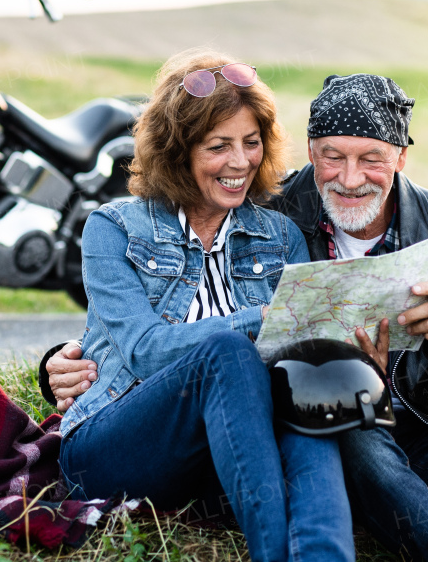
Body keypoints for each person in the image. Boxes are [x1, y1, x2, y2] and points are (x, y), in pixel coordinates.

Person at [45, 74, 428, 562]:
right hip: (340, 414)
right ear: (310, 154)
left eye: (372, 159)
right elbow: (160, 323)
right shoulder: (272, 207)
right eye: (332, 157)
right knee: (333, 410)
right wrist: (63, 359)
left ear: (401, 158)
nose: (349, 177)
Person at [56, 50, 355, 562]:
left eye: (251, 143)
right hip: (115, 444)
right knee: (227, 351)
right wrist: (260, 320)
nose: (240, 163)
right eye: (219, 146)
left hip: (227, 447)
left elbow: (300, 350)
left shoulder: (279, 235)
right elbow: (146, 352)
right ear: (178, 152)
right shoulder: (114, 229)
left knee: (311, 398)